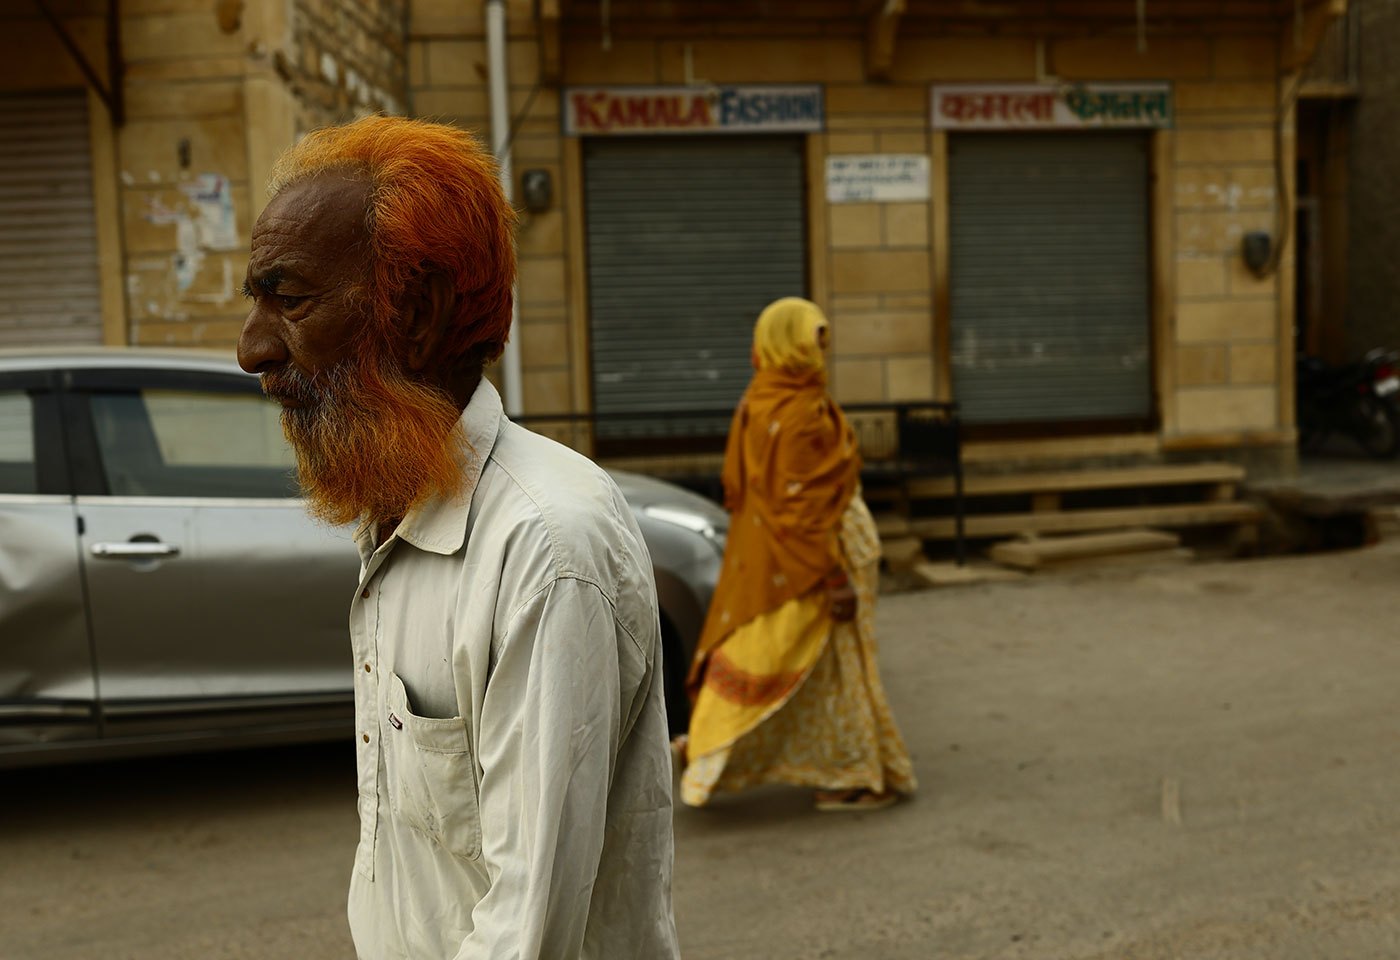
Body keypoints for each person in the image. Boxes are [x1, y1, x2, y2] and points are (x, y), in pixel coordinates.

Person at [236, 116, 680, 960]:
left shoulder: (544, 545)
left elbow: (527, 928)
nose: (252, 347)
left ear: (420, 312)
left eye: (289, 300)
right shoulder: (398, 507)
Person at [678, 297, 917, 812]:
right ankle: (849, 773)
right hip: (812, 560)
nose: (822, 351)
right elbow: (798, 507)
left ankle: (711, 752)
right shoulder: (801, 411)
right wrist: (832, 578)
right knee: (829, 669)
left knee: (790, 664)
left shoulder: (762, 399)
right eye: (816, 339)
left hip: (778, 558)